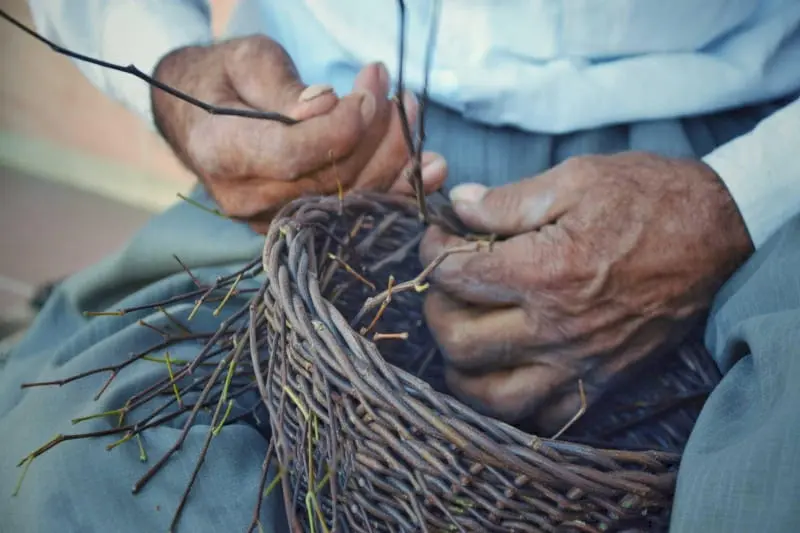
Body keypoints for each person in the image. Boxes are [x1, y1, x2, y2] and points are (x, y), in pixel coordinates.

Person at [2, 0, 799, 531]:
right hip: (340, 136)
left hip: (748, 147)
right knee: (78, 465)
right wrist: (171, 73)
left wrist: (738, 199)